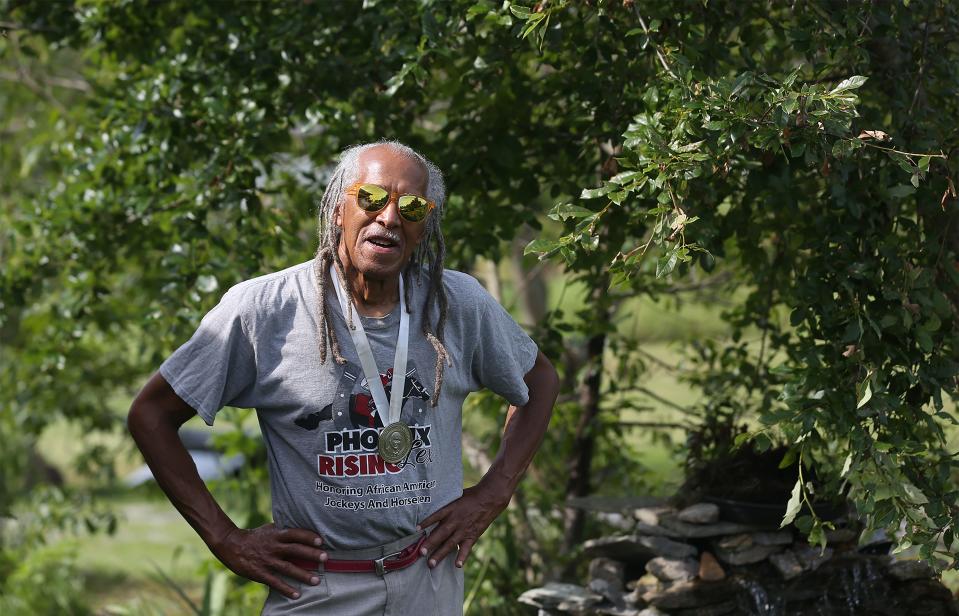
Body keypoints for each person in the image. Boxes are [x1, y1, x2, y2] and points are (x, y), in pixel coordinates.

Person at [127, 140, 559, 614]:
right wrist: (226, 538)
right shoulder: (265, 310)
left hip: (428, 579)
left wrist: (495, 492)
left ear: (423, 226)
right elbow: (151, 415)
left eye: (411, 206)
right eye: (371, 198)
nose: (390, 218)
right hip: (317, 587)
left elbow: (538, 382)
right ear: (337, 208)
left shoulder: (456, 304)